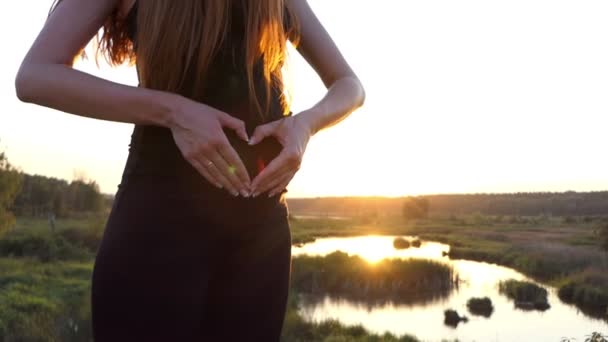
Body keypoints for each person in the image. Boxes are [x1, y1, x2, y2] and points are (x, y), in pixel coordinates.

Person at [15, 0, 365, 340]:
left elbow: (349, 85)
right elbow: (35, 75)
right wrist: (174, 112)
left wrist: (305, 126)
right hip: (155, 234)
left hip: (260, 239)